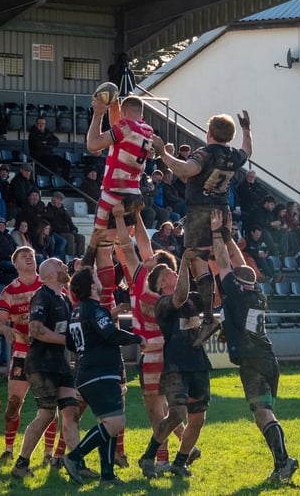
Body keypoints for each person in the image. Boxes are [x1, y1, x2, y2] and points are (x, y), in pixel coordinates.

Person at [206, 209, 299, 484]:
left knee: (263, 414)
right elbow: (235, 260)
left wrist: (215, 233)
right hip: (268, 358)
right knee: (263, 416)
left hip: (252, 361)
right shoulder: (257, 292)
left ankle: (285, 461)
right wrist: (228, 233)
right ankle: (279, 465)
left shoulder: (235, 294)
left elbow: (224, 262)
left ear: (238, 282)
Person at [152, 110, 252, 346]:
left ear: (209, 132)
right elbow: (248, 150)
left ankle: (208, 317)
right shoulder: (233, 155)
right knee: (223, 260)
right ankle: (227, 313)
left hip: (200, 212)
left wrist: (163, 154)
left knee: (197, 261)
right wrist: (247, 129)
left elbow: (186, 171)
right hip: (222, 211)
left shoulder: (205, 153)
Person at [111, 203, 196, 474]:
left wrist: (121, 218)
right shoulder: (163, 291)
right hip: (164, 349)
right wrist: (135, 216)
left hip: (154, 350)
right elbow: (136, 246)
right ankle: (185, 446)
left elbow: (128, 246)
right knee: (170, 407)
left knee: (157, 410)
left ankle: (162, 458)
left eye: (153, 261)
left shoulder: (145, 284)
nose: (146, 257)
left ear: (160, 274)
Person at [62, 266, 144, 487]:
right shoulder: (95, 310)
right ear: (91, 287)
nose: (100, 281)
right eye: (96, 278)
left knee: (109, 422)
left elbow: (70, 343)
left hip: (87, 372)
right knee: (115, 422)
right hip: (100, 373)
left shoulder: (75, 311)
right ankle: (74, 457)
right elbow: (111, 334)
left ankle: (107, 475)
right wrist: (138, 339)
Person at [139, 249, 211, 479]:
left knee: (198, 419)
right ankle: (148, 456)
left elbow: (213, 298)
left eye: (172, 269)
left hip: (198, 364)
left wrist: (205, 263)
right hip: (175, 368)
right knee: (178, 414)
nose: (170, 271)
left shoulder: (190, 299)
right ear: (161, 287)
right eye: (165, 274)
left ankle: (180, 462)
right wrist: (185, 265)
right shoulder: (163, 303)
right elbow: (179, 296)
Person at [11, 258, 80, 478]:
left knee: (71, 411)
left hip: (59, 363)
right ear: (51, 273)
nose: (65, 268)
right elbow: (36, 330)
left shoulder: (64, 298)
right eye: (60, 265)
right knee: (47, 414)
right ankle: (21, 464)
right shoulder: (42, 296)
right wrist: (67, 341)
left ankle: (76, 462)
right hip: (41, 364)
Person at [0, 247, 46, 463]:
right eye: (24, 257)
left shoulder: (46, 286)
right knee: (14, 401)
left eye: (31, 256)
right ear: (15, 264)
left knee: (48, 405)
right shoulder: (9, 291)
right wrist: (5, 329)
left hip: (46, 352)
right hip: (22, 352)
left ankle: (50, 453)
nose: (29, 258)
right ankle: (8, 448)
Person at [87, 95, 153, 231]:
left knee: (102, 245)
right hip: (133, 192)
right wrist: (114, 104)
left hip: (113, 192)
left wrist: (98, 114)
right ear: (141, 113)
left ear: (124, 113)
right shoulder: (147, 130)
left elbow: (93, 145)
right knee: (123, 243)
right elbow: (118, 127)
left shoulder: (126, 127)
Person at [43, 191, 85, 257]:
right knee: (70, 237)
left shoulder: (63, 210)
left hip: (66, 231)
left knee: (81, 237)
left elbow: (69, 221)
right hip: (57, 232)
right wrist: (69, 231)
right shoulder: (49, 209)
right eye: (58, 199)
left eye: (61, 200)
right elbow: (55, 225)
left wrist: (74, 228)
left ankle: (80, 257)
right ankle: (69, 257)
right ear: (53, 199)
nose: (60, 202)